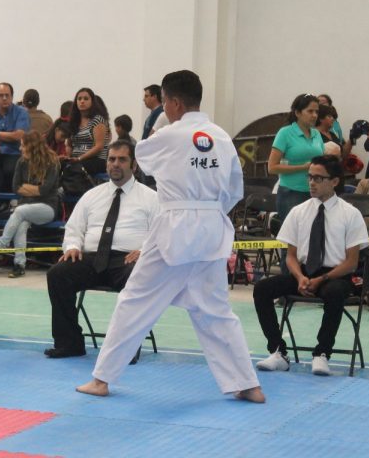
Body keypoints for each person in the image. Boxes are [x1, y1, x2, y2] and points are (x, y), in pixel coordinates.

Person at [76, 70, 264, 403]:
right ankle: (248, 384)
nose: (163, 107)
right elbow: (235, 189)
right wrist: (207, 211)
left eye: (164, 101)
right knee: (215, 310)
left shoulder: (168, 134)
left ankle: (101, 379)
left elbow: (144, 159)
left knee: (135, 301)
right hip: (212, 227)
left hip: (175, 225)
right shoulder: (222, 137)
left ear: (174, 102)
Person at [253, 155, 369, 376]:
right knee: (262, 289)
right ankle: (278, 352)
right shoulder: (298, 211)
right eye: (310, 177)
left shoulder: (350, 214)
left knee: (334, 292)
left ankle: (322, 353)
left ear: (334, 181)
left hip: (335, 275)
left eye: (318, 178)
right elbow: (291, 256)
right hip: (304, 273)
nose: (312, 183)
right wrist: (299, 277)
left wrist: (321, 279)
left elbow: (352, 262)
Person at [45, 140, 159, 358]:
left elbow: (162, 234)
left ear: (134, 165)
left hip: (127, 261)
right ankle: (69, 343)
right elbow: (74, 228)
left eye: (122, 159)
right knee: (58, 274)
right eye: (111, 159)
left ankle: (126, 348)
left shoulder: (151, 198)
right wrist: (72, 246)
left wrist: (145, 251)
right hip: (92, 258)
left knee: (136, 274)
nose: (115, 164)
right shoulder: (91, 196)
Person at [0, 131, 61, 278]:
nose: (20, 149)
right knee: (21, 225)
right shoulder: (21, 162)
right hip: (27, 207)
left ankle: (2, 243)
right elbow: (15, 187)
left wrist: (27, 188)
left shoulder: (52, 162)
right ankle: (19, 264)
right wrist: (35, 190)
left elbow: (44, 190)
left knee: (19, 211)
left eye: (23, 145)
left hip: (47, 207)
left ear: (32, 146)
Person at [268, 94, 325, 226]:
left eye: (316, 111)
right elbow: (272, 167)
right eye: (310, 111)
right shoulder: (285, 133)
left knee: (314, 233)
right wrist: (303, 167)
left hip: (315, 192)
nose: (314, 115)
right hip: (291, 193)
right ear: (298, 113)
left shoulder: (317, 134)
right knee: (293, 234)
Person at [0, 82, 31, 192]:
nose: (4, 98)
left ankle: (8, 199)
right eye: (1, 95)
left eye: (7, 95)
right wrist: (9, 137)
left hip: (14, 152)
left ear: (12, 97)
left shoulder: (21, 113)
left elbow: (19, 136)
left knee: (9, 169)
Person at [66, 87, 110, 175]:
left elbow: (99, 146)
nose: (82, 101)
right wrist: (68, 157)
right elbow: (69, 144)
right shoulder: (74, 121)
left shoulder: (97, 120)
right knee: (58, 166)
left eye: (86, 99)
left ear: (92, 102)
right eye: (79, 99)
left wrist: (79, 158)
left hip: (96, 160)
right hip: (76, 160)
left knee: (73, 170)